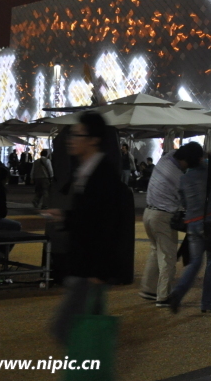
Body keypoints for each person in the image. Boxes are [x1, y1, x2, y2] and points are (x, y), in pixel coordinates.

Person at [48, 112, 135, 345]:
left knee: (66, 329)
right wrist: (66, 217)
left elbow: (109, 225)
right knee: (82, 330)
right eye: (71, 134)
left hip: (91, 268)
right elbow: (92, 218)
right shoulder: (86, 171)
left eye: (77, 134)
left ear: (93, 139)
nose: (71, 139)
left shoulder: (102, 176)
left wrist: (100, 272)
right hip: (85, 265)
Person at [168, 143, 211, 314]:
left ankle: (178, 292)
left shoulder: (184, 178)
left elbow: (182, 201)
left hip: (192, 224)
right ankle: (208, 303)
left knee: (195, 262)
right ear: (199, 157)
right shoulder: (209, 175)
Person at [140, 145, 190, 307]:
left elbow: (175, 152)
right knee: (167, 257)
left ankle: (148, 289)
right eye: (188, 164)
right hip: (163, 217)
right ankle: (163, 296)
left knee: (156, 251)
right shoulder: (178, 177)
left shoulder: (165, 159)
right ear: (184, 160)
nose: (187, 167)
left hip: (148, 213)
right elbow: (185, 202)